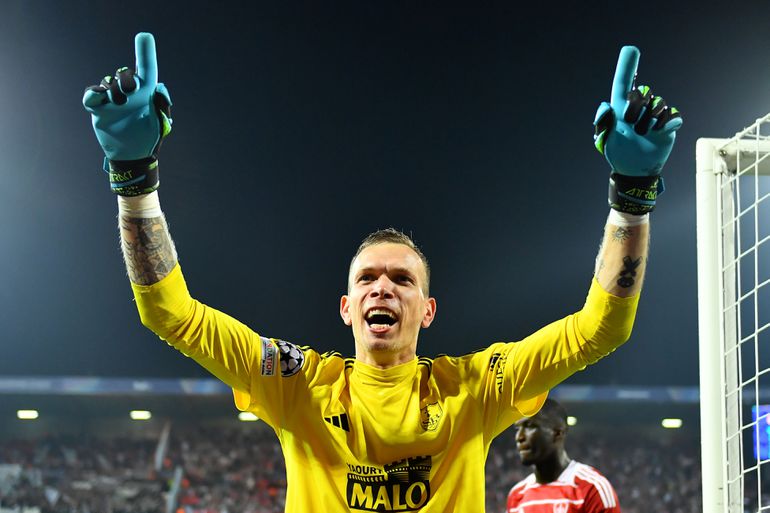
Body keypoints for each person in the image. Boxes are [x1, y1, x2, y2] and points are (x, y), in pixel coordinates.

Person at [82, 33, 681, 512]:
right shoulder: (297, 384)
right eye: (367, 278)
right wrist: (135, 181)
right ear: (346, 308)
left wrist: (631, 196)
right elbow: (169, 313)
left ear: (427, 309)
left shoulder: (477, 387)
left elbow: (601, 328)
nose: (382, 287)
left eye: (402, 279)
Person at [506, 399, 621, 512]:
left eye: (530, 426)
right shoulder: (516, 495)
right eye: (517, 428)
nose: (519, 437)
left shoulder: (592, 488)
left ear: (558, 433)